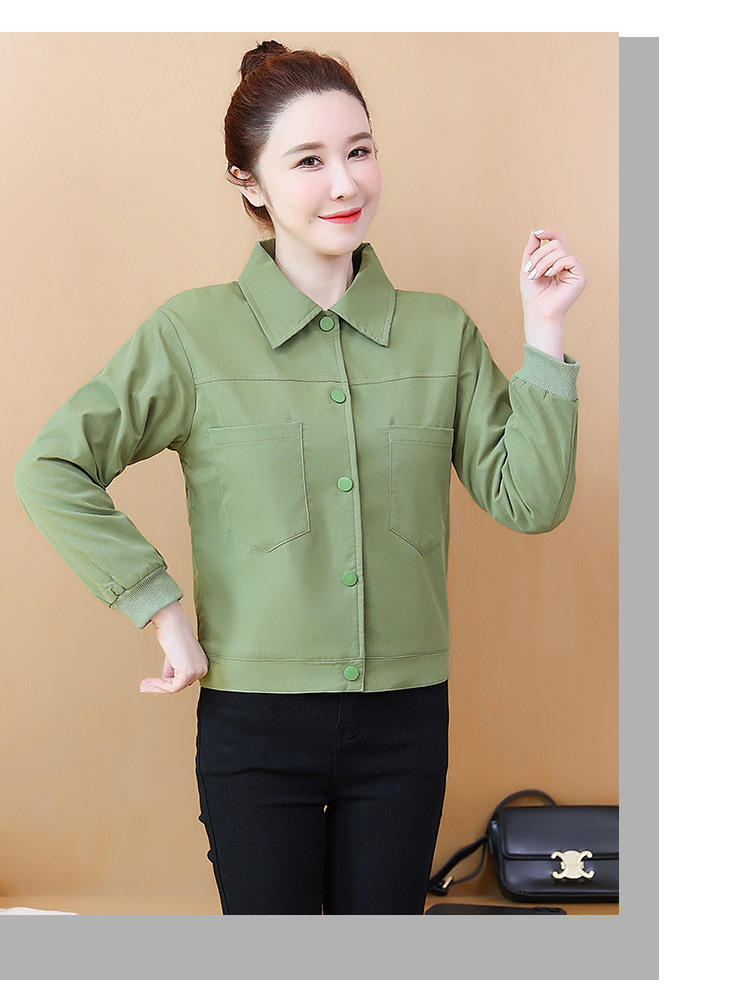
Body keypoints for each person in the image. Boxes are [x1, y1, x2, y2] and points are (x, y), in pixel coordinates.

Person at [12, 40, 587, 915]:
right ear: (249, 182)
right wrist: (161, 609)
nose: (345, 183)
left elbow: (531, 500)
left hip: (405, 724)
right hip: (254, 726)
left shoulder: (442, 333)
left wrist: (544, 333)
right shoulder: (190, 335)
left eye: (360, 150)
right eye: (309, 160)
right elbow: (52, 466)